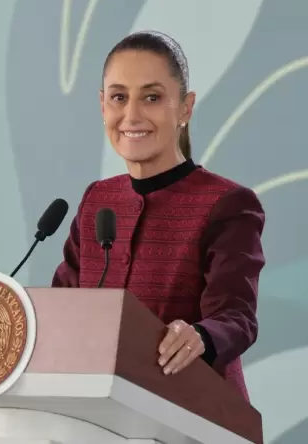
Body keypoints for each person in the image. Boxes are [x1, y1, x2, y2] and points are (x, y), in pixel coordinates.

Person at [51, 30, 266, 401]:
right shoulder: (97, 200)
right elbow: (61, 307)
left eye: (152, 97)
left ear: (185, 107)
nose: (132, 115)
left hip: (196, 412)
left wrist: (200, 336)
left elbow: (237, 317)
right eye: (119, 97)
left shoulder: (227, 203)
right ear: (103, 105)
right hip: (100, 413)